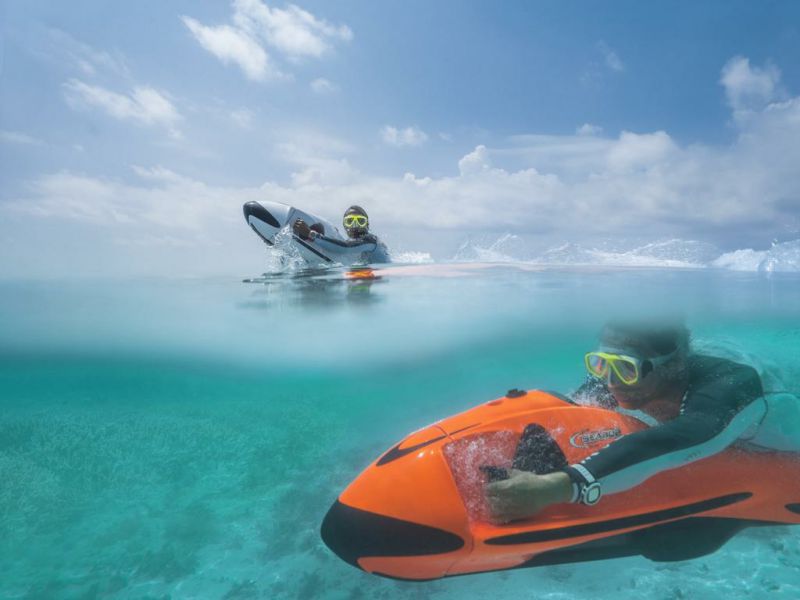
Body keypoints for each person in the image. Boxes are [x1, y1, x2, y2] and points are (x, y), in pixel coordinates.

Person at [486, 319, 800, 522]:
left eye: (625, 368)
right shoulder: (627, 377)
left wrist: (557, 487)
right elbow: (575, 415)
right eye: (600, 364)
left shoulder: (729, 387)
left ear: (674, 365)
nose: (610, 381)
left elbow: (680, 439)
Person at [292, 205, 389, 264]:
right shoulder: (353, 247)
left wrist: (310, 234)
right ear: (344, 225)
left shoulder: (371, 240)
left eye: (360, 221)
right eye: (350, 221)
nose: (355, 225)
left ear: (367, 224)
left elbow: (346, 248)